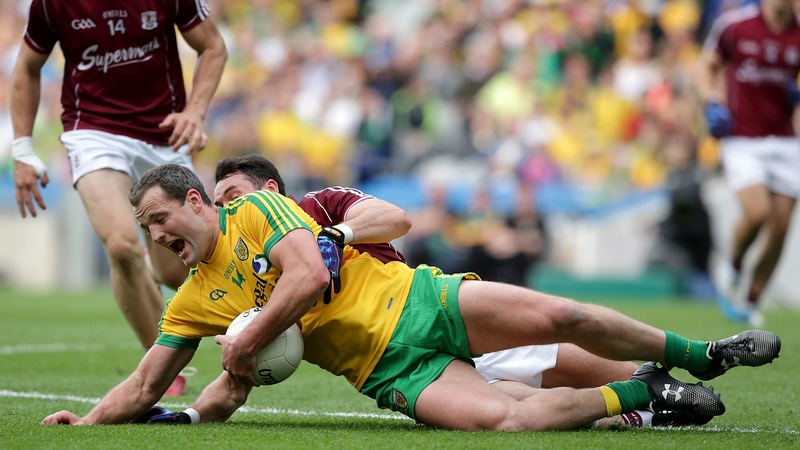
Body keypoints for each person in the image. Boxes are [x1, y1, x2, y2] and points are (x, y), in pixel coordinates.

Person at [41, 164, 781, 431]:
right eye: (144, 230)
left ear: (200, 203)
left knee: (564, 315)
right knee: (508, 424)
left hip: (420, 301)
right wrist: (91, 421)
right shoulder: (194, 300)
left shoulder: (260, 210)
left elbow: (301, 279)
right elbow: (146, 380)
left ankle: (704, 355)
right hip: (388, 372)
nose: (153, 238)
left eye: (158, 221)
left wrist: (242, 338)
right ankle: (649, 401)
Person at [212, 155, 683, 428]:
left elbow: (397, 219)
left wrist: (337, 233)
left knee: (593, 353)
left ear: (269, 190)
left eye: (232, 196)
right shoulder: (238, 264)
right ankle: (640, 405)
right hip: (397, 362)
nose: (226, 210)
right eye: (218, 204)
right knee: (512, 411)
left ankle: (677, 383)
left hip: (428, 314)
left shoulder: (317, 204)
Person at [10, 0, 228, 395]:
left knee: (176, 272)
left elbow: (213, 46)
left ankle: (145, 272)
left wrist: (195, 112)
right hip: (92, 131)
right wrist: (23, 148)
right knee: (121, 245)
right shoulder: (52, 4)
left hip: (165, 134)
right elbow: (27, 66)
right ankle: (163, 368)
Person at [698, 0, 800, 326]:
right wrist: (712, 102)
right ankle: (732, 266)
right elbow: (707, 65)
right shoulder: (735, 25)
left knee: (782, 226)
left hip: (785, 139)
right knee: (758, 213)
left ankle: (751, 300)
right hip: (742, 137)